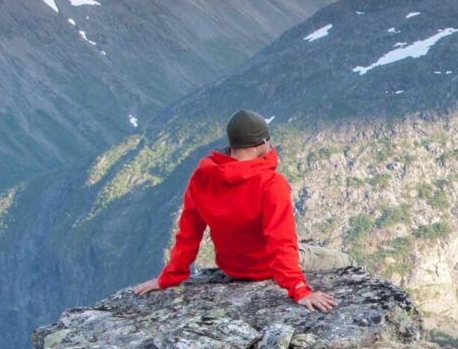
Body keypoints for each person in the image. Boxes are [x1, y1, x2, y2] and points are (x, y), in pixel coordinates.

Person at [133, 109, 338, 311]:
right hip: (265, 268)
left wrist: (168, 277)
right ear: (262, 143)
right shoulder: (271, 183)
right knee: (343, 260)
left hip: (231, 267)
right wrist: (300, 289)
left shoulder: (203, 176)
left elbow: (188, 234)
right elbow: (280, 242)